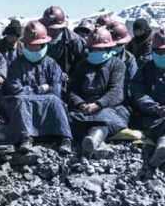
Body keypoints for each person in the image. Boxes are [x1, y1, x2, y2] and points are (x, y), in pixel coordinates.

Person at [3, 21, 72, 154]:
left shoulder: (52, 64)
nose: (33, 48)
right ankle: (26, 138)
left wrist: (32, 90)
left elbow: (56, 90)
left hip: (47, 99)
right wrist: (39, 89)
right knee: (20, 100)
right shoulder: (16, 64)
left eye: (37, 45)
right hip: (25, 100)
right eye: (30, 45)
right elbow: (14, 88)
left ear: (44, 44)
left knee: (55, 100)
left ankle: (65, 139)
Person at [69, 27, 129, 157]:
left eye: (100, 49)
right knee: (69, 117)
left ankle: (93, 140)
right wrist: (80, 104)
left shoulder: (117, 65)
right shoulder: (81, 65)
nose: (96, 51)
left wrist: (98, 104)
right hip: (83, 108)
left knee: (105, 119)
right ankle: (93, 141)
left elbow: (116, 91)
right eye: (93, 49)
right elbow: (72, 90)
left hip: (108, 107)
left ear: (108, 48)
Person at [131, 28, 165, 167]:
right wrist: (156, 108)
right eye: (158, 52)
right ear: (152, 50)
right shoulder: (145, 68)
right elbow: (138, 93)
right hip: (150, 116)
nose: (161, 55)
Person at [41, 6, 85, 90]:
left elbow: (84, 66)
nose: (50, 32)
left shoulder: (76, 42)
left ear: (62, 27)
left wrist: (71, 78)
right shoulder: (39, 39)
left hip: (69, 87)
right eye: (48, 28)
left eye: (54, 29)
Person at [108, 21, 138, 103]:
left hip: (122, 99)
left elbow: (134, 80)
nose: (117, 46)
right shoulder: (100, 57)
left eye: (120, 44)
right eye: (115, 44)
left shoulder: (129, 58)